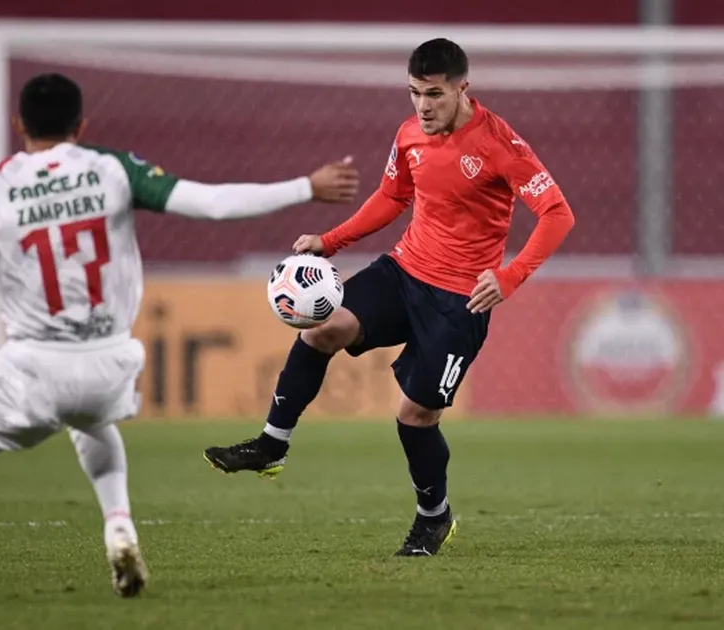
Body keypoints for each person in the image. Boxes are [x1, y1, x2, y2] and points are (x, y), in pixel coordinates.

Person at [0, 72, 360, 598]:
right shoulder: (112, 169)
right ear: (81, 124)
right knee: (93, 425)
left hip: (33, 365)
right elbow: (211, 204)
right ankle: (119, 528)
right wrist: (307, 187)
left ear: (18, 123)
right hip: (110, 361)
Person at [203, 38, 575, 557]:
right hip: (403, 271)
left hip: (459, 302)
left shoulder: (499, 144)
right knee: (321, 329)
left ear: (462, 89)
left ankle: (434, 516)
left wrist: (509, 278)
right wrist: (329, 241)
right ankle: (271, 445)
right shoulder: (409, 135)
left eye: (434, 95)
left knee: (414, 417)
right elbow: (393, 196)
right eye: (414, 93)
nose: (422, 106)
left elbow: (558, 214)